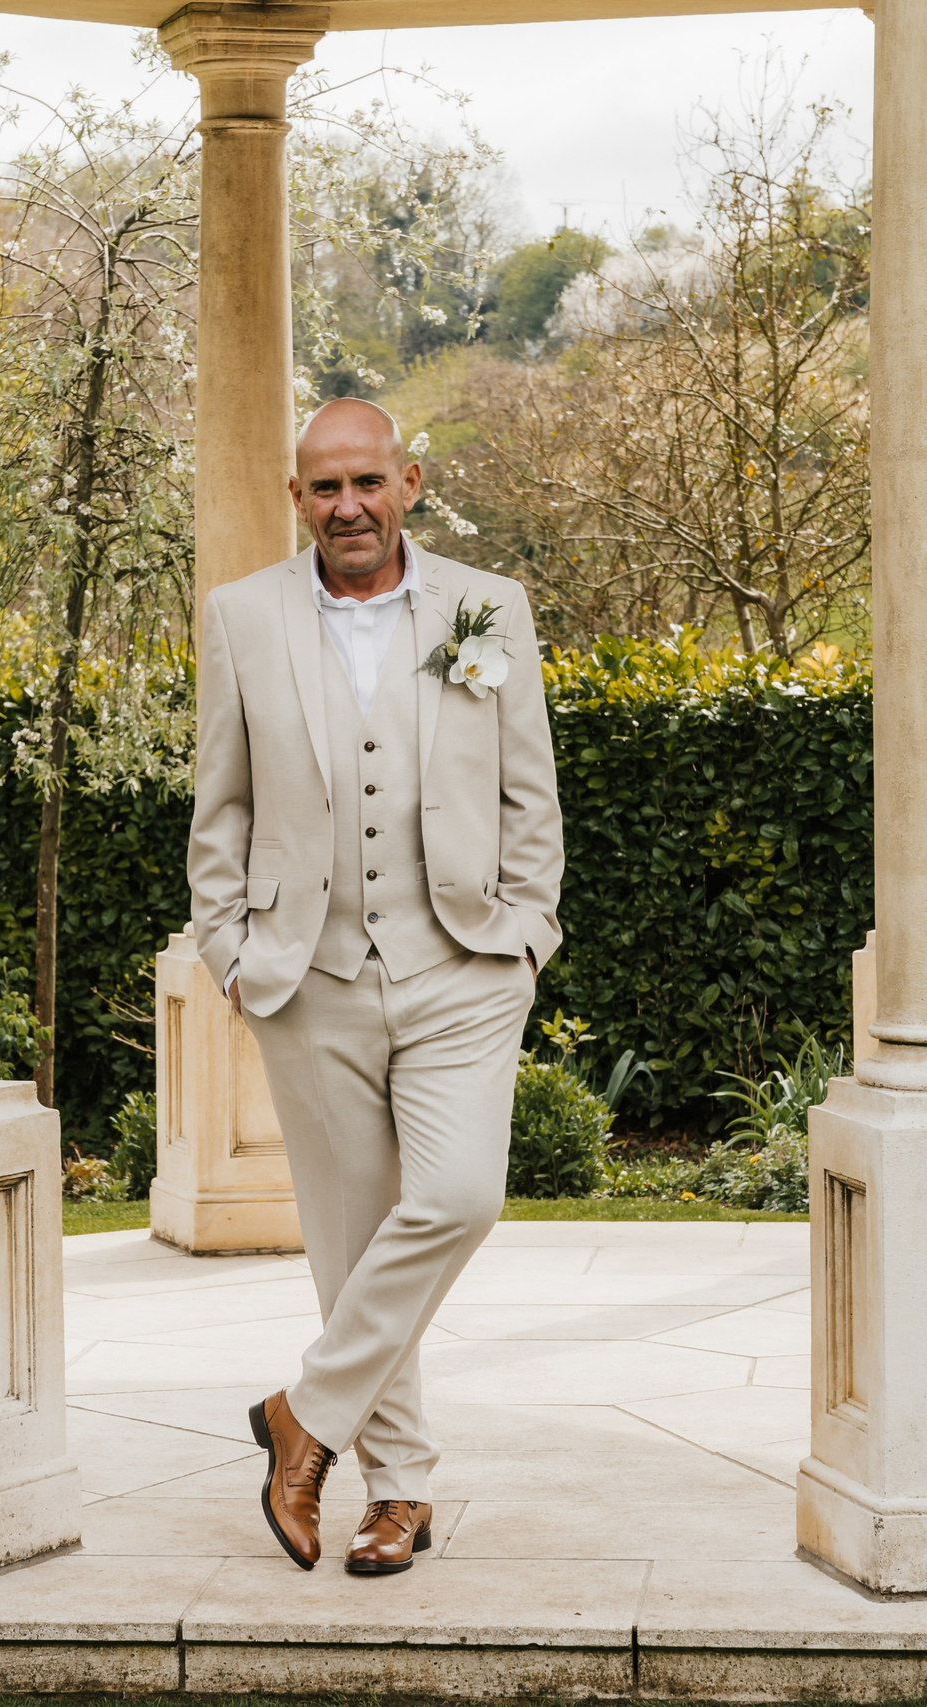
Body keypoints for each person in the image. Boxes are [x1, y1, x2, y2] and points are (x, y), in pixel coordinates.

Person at [187, 398, 563, 1575]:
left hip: (462, 962)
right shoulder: (241, 615)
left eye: (366, 482)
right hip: (309, 974)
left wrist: (526, 935)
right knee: (350, 1250)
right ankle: (396, 1492)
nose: (346, 506)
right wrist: (227, 947)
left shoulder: (487, 608)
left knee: (459, 1197)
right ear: (297, 498)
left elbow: (529, 791)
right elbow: (220, 803)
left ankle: (302, 1416)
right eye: (323, 487)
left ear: (408, 482)